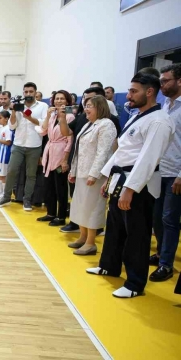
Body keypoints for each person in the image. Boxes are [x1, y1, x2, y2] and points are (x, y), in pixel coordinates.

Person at [86, 73, 174, 298]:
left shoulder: (159, 120)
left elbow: (148, 158)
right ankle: (110, 265)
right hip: (120, 177)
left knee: (137, 233)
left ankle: (134, 283)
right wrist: (106, 178)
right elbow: (122, 151)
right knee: (115, 226)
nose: (130, 95)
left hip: (139, 184)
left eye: (134, 91)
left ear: (150, 92)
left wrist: (130, 189)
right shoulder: (139, 116)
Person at [64, 95, 117, 255]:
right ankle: (82, 236)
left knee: (92, 207)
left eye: (90, 106)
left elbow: (103, 152)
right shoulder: (89, 124)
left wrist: (94, 174)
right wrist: (73, 170)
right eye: (85, 105)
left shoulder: (107, 125)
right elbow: (78, 150)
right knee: (80, 205)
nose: (86, 109)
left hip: (95, 174)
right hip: (81, 171)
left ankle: (91, 242)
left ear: (99, 107)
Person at [0, 82, 48, 210]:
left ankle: (27, 200)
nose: (28, 94)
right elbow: (12, 126)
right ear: (23, 93)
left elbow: (43, 125)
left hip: (34, 145)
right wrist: (13, 111)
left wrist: (27, 117)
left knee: (31, 175)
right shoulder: (18, 106)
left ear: (35, 92)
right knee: (11, 171)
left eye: (31, 91)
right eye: (26, 92)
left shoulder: (42, 106)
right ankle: (6, 197)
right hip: (18, 144)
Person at [150, 63, 181, 282]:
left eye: (165, 81)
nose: (161, 85)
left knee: (170, 219)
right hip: (160, 169)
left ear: (179, 81)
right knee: (157, 218)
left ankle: (166, 264)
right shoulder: (165, 106)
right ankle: (161, 252)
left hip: (175, 173)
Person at [36, 90, 74, 227]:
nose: (59, 101)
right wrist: (47, 115)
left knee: (61, 187)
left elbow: (70, 140)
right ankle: (51, 212)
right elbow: (43, 130)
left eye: (62, 99)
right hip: (50, 152)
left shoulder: (70, 117)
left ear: (67, 101)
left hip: (61, 152)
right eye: (56, 98)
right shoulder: (52, 116)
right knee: (49, 185)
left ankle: (61, 216)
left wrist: (65, 160)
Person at [0, 111, 14, 201]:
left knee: (4, 175)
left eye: (0, 118)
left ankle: (4, 193)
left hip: (4, 155)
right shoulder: (2, 128)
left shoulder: (8, 129)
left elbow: (8, 142)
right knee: (0, 174)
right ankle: (0, 191)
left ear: (7, 119)